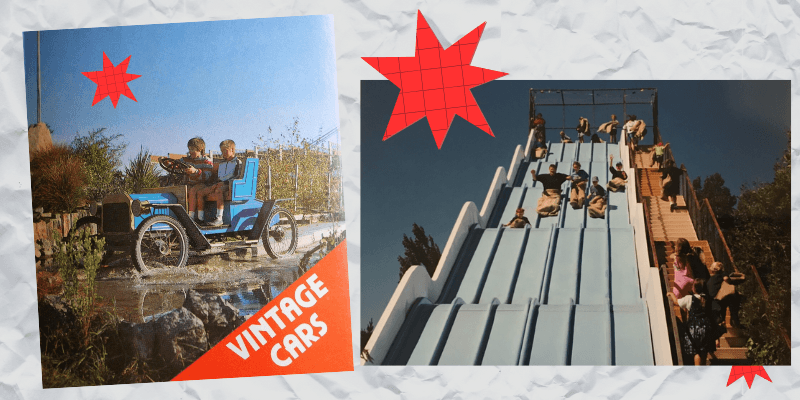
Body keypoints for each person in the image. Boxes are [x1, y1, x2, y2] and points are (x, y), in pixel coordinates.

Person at [668, 279, 725, 365]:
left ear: (694, 288)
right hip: (707, 328)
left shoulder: (690, 298)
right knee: (704, 352)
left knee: (697, 352)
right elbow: (713, 315)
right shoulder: (709, 300)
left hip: (694, 328)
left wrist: (671, 294)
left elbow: (676, 302)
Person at [196, 139, 242, 226]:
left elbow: (237, 177)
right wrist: (213, 184)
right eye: (222, 151)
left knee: (218, 191)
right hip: (218, 184)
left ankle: (219, 218)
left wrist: (225, 183)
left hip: (229, 186)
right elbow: (216, 177)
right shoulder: (221, 163)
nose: (223, 153)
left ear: (232, 150)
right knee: (200, 193)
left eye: (225, 151)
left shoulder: (237, 163)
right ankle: (200, 218)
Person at [183, 137, 213, 223]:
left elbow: (207, 176)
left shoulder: (206, 161)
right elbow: (178, 164)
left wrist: (195, 172)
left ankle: (193, 217)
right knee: (181, 190)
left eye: (192, 149)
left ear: (200, 149)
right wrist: (168, 162)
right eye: (189, 149)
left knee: (193, 191)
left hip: (203, 184)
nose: (190, 151)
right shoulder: (187, 160)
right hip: (190, 184)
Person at [707, 262, 741, 328]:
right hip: (721, 299)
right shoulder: (723, 274)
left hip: (714, 300)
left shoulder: (710, 280)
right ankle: (734, 319)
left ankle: (722, 321)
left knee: (723, 303)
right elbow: (726, 279)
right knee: (733, 297)